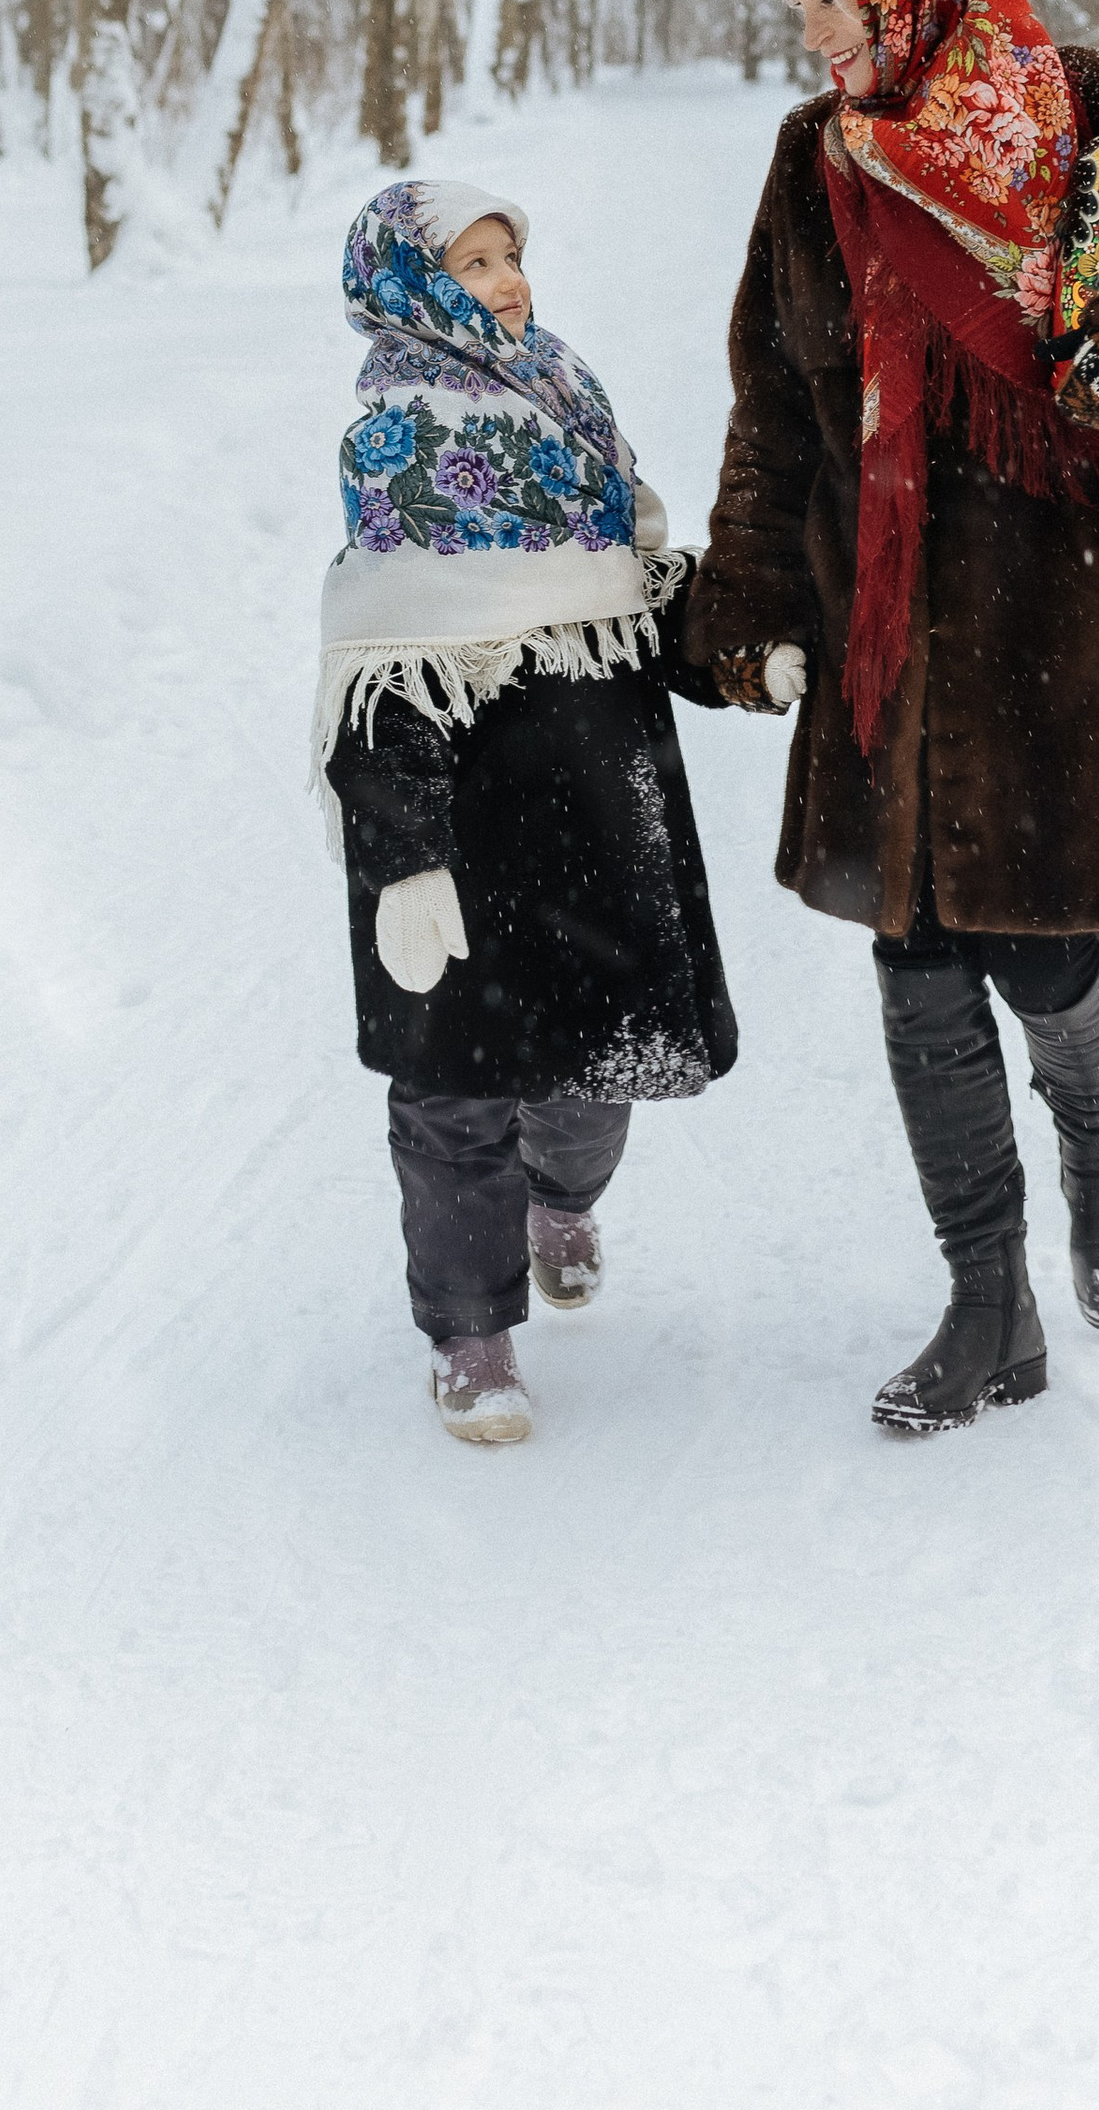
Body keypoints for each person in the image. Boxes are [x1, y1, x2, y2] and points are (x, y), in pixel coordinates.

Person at [684, 0, 1099, 1435]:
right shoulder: (814, 156)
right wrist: (748, 603)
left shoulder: (1092, 110)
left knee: (1037, 948)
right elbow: (776, 400)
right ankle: (990, 1305)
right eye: (798, 5)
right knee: (912, 958)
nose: (815, 33)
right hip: (884, 625)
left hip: (1065, 621)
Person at [317, 179, 736, 1448]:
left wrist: (734, 651)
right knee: (452, 1085)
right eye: (474, 264)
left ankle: (562, 1200)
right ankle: (470, 1335)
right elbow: (381, 664)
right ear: (409, 289)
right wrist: (402, 857)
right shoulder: (395, 448)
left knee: (593, 1073)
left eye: (510, 256)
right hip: (462, 823)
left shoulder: (567, 403)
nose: (507, 282)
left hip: (599, 793)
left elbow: (627, 592)